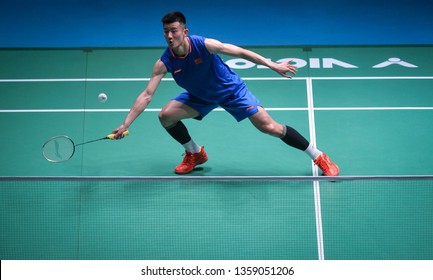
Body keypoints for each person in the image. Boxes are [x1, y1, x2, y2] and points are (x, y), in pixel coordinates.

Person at [112, 11, 339, 176]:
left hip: (231, 91)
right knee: (165, 115)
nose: (169, 36)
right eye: (165, 32)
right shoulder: (164, 62)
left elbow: (239, 52)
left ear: (184, 31)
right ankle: (195, 153)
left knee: (270, 127)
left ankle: (318, 155)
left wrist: (271, 64)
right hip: (200, 96)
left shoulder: (204, 45)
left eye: (173, 31)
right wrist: (125, 124)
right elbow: (146, 95)